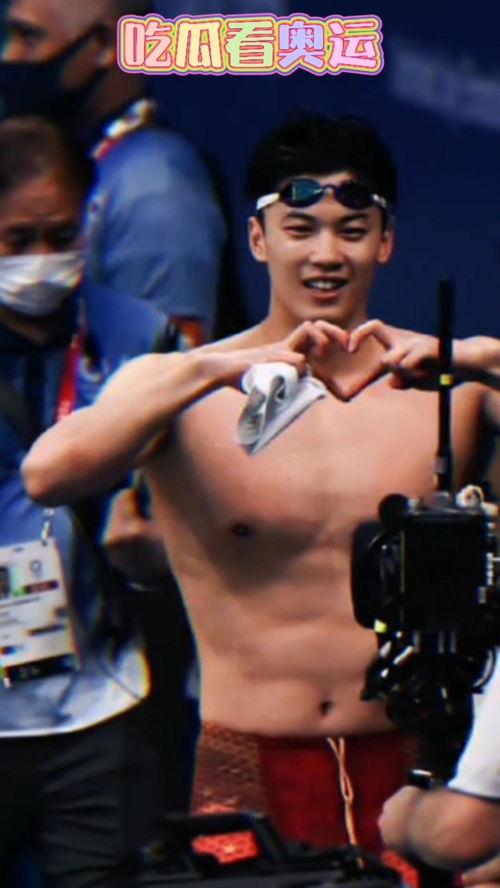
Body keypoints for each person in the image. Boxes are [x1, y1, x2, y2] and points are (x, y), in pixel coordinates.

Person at [21, 114, 499, 878]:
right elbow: (48, 474)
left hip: (413, 763)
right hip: (248, 763)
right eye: (300, 229)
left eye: (352, 230)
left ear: (385, 241)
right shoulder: (181, 387)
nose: (325, 254)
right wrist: (211, 368)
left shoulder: (453, 388)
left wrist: (478, 355)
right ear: (257, 239)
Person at [0, 115, 168, 887]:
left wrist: (153, 559)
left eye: (61, 235)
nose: (42, 258)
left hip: (101, 710)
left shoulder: (141, 340)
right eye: (18, 239)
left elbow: (185, 507)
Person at [0, 0, 226, 338]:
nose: (9, 56)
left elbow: (168, 365)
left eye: (29, 37)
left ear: (106, 43)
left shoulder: (153, 183)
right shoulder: (74, 159)